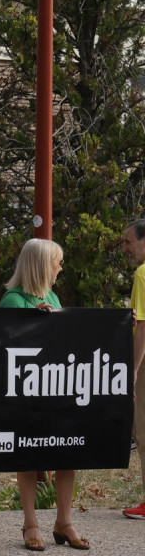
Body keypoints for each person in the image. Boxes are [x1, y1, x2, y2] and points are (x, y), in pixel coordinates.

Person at [2, 239, 88, 550]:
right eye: (57, 263)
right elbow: (7, 347)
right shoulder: (13, 300)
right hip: (27, 394)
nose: (60, 269)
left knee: (68, 454)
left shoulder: (52, 296)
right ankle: (30, 523)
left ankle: (64, 521)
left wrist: (117, 329)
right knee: (28, 455)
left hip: (56, 389)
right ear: (41, 265)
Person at [122, 219, 145, 520]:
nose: (124, 248)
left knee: (144, 432)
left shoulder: (142, 274)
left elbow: (142, 329)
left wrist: (133, 371)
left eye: (128, 242)